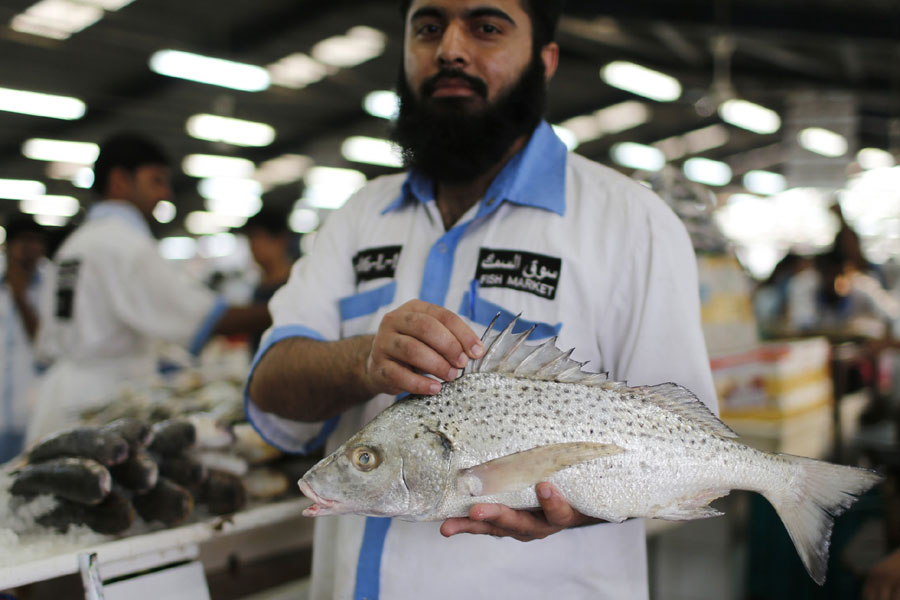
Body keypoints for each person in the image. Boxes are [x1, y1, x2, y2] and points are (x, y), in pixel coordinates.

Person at [246, 1, 717, 598]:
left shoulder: (632, 223)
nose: (450, 49)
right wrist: (362, 361)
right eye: (428, 27)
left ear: (544, 60)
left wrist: (588, 504)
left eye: (486, 27)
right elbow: (271, 384)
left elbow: (686, 446)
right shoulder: (358, 216)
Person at [29, 132, 271, 443]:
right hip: (100, 401)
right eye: (156, 180)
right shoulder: (124, 244)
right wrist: (285, 307)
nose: (166, 193)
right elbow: (203, 317)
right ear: (119, 180)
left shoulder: (76, 244)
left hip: (59, 398)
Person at [0, 215, 48, 462]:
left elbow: (45, 345)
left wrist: (20, 296)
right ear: (7, 246)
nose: (31, 249)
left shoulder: (50, 285)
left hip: (30, 410)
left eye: (37, 242)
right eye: (24, 241)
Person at [240, 207, 296, 354]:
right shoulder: (259, 287)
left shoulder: (295, 284)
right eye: (250, 240)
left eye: (258, 238)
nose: (253, 247)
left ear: (280, 240)